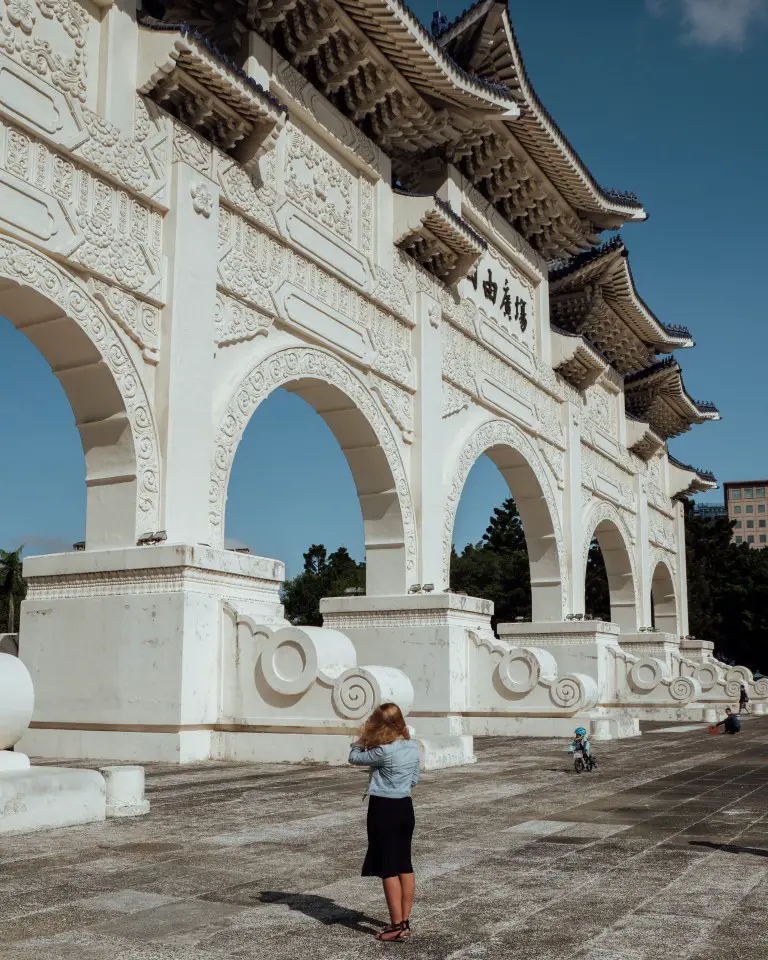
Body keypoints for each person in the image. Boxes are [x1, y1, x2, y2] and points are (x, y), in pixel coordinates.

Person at [348, 702, 420, 942]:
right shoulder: (412, 747)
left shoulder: (384, 751)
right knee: (404, 865)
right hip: (404, 807)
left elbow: (353, 757)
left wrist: (362, 737)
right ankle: (406, 921)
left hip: (384, 809)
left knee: (387, 867)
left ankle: (396, 925)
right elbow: (414, 780)